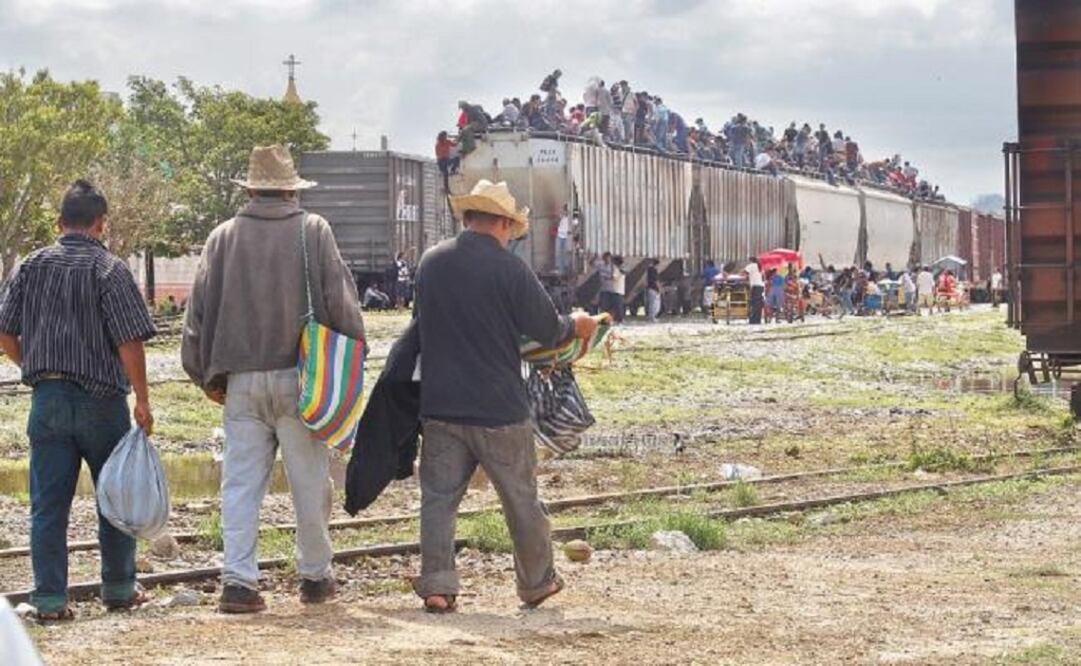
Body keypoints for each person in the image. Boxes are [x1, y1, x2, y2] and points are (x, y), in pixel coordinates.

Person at [181, 145, 366, 613]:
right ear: (290, 189)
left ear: (249, 189)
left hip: (239, 381)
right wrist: (347, 367)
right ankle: (316, 579)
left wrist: (204, 376)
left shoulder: (221, 237)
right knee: (309, 482)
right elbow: (342, 305)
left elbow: (196, 316)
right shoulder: (313, 231)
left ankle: (239, 583)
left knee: (240, 485)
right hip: (301, 379)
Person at [412, 179, 599, 613]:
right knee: (521, 499)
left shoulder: (431, 262)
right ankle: (536, 583)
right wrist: (580, 325)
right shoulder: (508, 268)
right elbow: (548, 329)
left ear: (468, 218)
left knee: (438, 499)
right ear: (500, 223)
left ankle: (438, 586)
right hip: (498, 407)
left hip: (439, 404)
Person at [0, 180, 156, 621]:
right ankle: (120, 589)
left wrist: (33, 365)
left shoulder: (30, 266)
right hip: (102, 401)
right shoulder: (110, 269)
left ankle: (49, 600)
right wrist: (142, 399)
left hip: (47, 400)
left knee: (47, 505)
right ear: (100, 223)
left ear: (59, 223)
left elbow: (4, 331)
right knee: (114, 496)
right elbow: (129, 342)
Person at [744, 256, 764, 324]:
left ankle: (753, 320)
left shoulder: (751, 265)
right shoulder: (760, 266)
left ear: (750, 260)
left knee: (753, 303)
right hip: (761, 286)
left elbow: (744, 273)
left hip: (755, 286)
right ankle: (757, 320)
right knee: (758, 304)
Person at [555, 206, 573, 275]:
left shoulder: (569, 219)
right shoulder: (561, 218)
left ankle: (565, 269)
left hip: (566, 237)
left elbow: (570, 228)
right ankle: (561, 269)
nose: (563, 212)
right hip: (560, 236)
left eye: (564, 211)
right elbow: (558, 225)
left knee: (566, 253)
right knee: (559, 254)